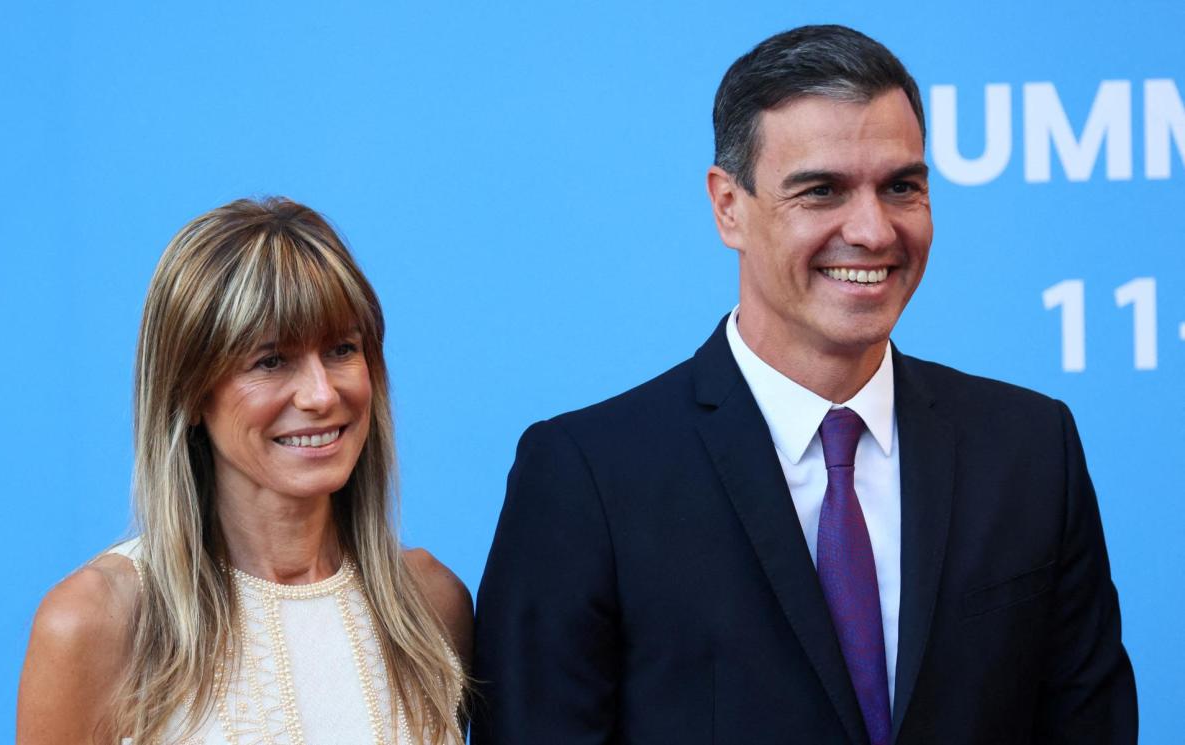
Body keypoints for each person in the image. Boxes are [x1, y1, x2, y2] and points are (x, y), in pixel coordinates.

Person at [471, 24, 1136, 744]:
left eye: (901, 187)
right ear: (729, 207)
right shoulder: (586, 477)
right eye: (821, 191)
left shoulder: (1032, 449)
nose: (874, 230)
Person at [17, 198, 471, 744]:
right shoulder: (95, 621)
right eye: (271, 361)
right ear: (187, 392)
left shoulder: (430, 603)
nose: (322, 394)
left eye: (341, 349)